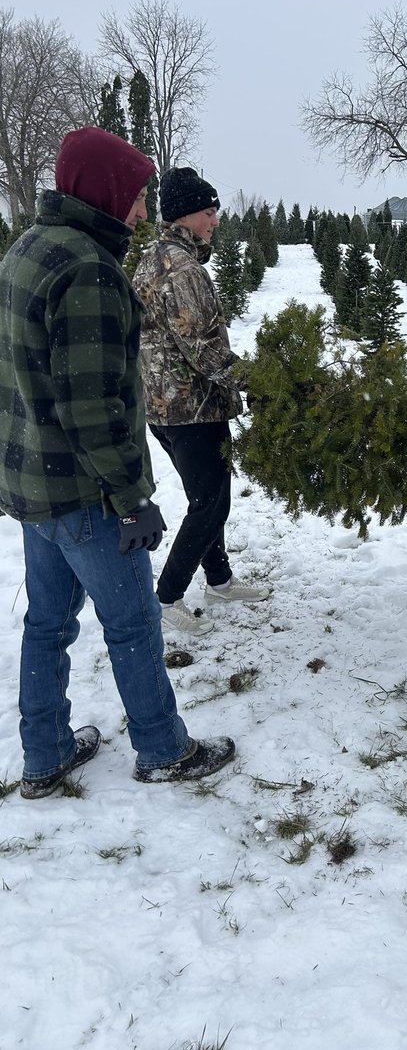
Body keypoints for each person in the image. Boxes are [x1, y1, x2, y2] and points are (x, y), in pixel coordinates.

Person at [0, 127, 235, 798]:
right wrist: (132, 498)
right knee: (132, 622)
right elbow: (93, 405)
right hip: (85, 491)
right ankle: (163, 748)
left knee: (46, 622)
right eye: (132, 196)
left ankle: (43, 754)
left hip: (32, 484)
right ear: (102, 191)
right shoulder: (89, 272)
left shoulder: (26, 250)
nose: (138, 210)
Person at [132, 167, 269, 636]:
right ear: (187, 216)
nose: (214, 221)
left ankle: (219, 579)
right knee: (211, 503)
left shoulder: (154, 256)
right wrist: (254, 379)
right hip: (191, 407)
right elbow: (203, 347)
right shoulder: (183, 269)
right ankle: (167, 598)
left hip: (162, 405)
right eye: (209, 213)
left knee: (205, 497)